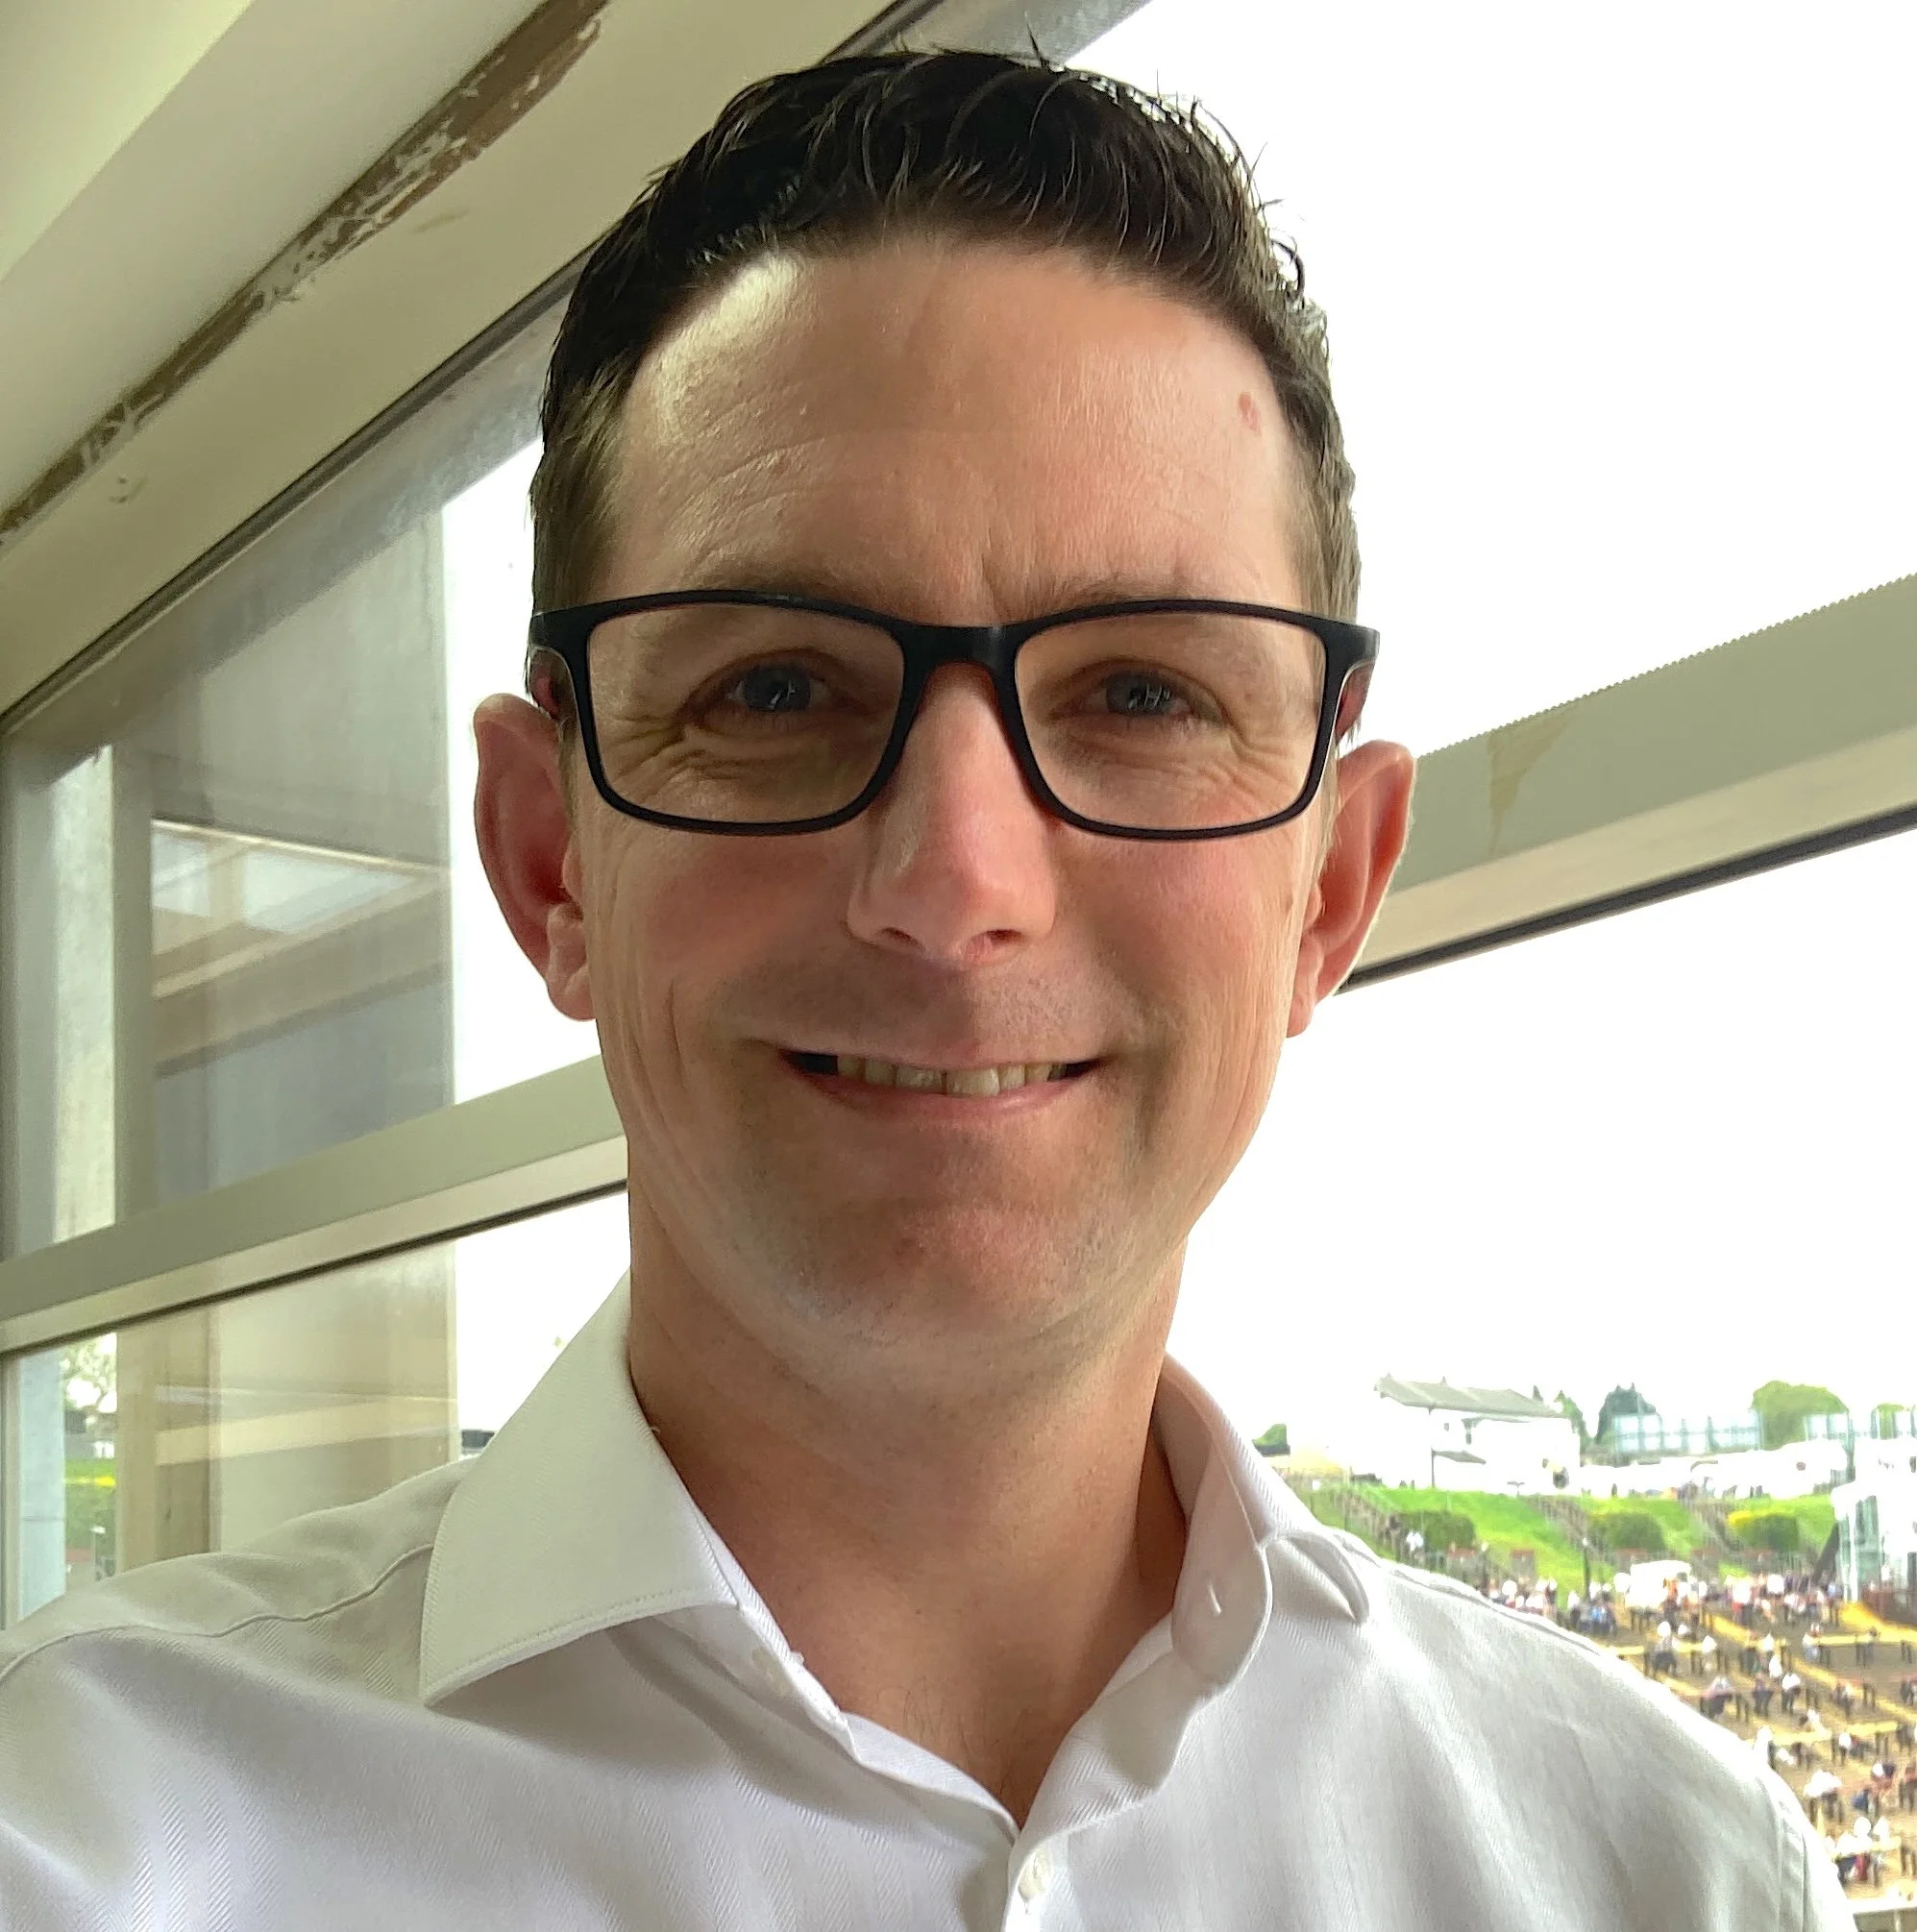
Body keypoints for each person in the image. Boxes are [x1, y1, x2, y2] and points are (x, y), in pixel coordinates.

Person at [0, 48, 1850, 1932]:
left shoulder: (1672, 1872)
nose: (957, 882)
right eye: (774, 689)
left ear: (1331, 890)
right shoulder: (69, 1829)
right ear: (552, 860)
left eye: (1143, 694)